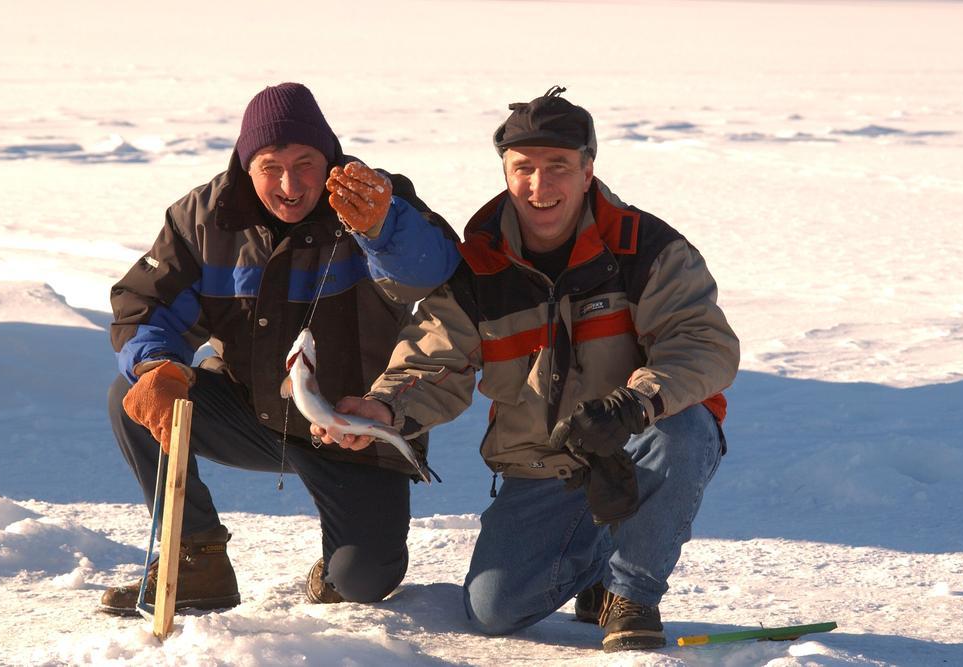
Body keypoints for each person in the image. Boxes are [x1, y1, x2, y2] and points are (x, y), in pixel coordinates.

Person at [313, 86, 739, 652]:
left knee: (684, 431)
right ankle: (596, 560)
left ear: (588, 171)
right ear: (505, 172)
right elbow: (434, 359)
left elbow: (704, 345)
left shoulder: (648, 250)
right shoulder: (480, 263)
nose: (540, 186)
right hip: (544, 464)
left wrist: (634, 404)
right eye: (524, 169)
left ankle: (631, 594)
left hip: (634, 441)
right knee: (493, 611)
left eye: (558, 167)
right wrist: (385, 407)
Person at [99, 82, 460, 616]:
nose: (290, 185)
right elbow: (144, 306)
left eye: (306, 163)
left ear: (331, 161)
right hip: (255, 413)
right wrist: (155, 365)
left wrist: (382, 230)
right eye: (271, 166)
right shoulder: (204, 217)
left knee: (362, 580)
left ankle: (341, 563)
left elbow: (434, 272)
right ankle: (197, 558)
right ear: (248, 166)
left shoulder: (376, 199)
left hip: (355, 429)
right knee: (136, 396)